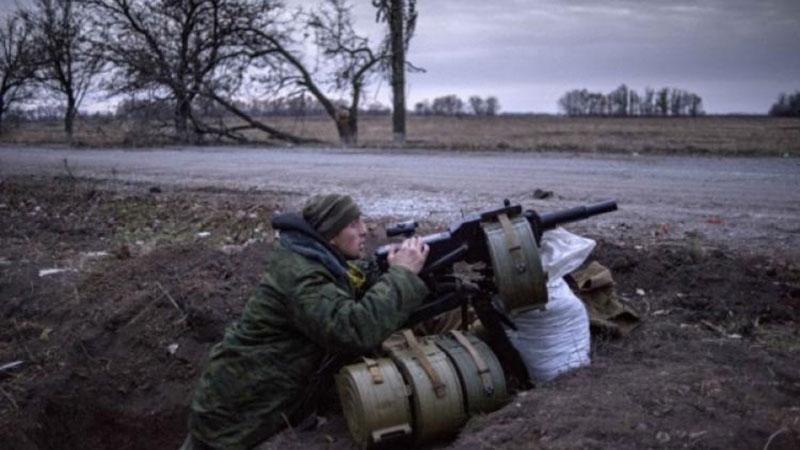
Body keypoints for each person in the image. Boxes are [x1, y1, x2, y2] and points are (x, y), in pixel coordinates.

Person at [181, 194, 430, 450]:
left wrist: (382, 268)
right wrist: (401, 275)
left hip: (253, 396)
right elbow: (353, 330)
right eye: (353, 224)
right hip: (236, 411)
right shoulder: (302, 276)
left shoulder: (312, 256)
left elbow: (347, 280)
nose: (364, 230)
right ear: (331, 233)